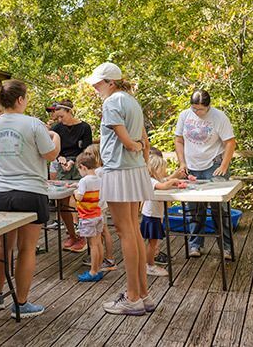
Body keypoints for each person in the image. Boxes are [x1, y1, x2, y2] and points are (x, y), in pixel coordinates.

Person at [0, 79, 61, 317]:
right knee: (27, 248)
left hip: (0, 191)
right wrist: (55, 138)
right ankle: (20, 303)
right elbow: (50, 154)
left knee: (1, 245)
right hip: (30, 191)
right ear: (20, 99)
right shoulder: (33, 124)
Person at [84, 62, 154, 316]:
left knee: (125, 232)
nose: (94, 87)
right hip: (134, 171)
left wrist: (134, 147)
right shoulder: (132, 101)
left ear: (110, 83)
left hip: (119, 170)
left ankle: (133, 297)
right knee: (133, 230)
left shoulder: (112, 102)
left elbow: (127, 139)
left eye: (98, 83)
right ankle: (143, 294)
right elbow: (145, 140)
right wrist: (141, 156)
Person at [175, 89, 236, 260]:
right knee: (194, 209)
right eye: (194, 108)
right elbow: (178, 140)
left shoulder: (219, 117)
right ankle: (195, 244)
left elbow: (230, 142)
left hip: (213, 165)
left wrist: (224, 165)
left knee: (220, 208)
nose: (197, 112)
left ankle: (226, 247)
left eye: (200, 109)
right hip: (192, 166)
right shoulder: (184, 116)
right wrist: (182, 162)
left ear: (208, 106)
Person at [50, 100, 93, 253]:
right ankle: (72, 235)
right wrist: (60, 158)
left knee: (81, 201)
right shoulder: (56, 128)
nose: (59, 120)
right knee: (62, 203)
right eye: (58, 117)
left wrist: (72, 161)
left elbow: (87, 150)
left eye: (62, 116)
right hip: (63, 168)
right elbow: (54, 149)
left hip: (81, 168)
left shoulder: (84, 127)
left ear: (69, 112)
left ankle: (86, 237)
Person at [142, 154, 182, 277]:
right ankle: (150, 266)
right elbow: (164, 186)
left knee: (154, 242)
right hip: (151, 216)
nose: (164, 171)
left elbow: (165, 182)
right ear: (154, 169)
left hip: (155, 215)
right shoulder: (151, 180)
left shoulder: (158, 179)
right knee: (152, 243)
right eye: (162, 169)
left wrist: (174, 181)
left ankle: (148, 263)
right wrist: (174, 180)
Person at [82, 144, 117, 270]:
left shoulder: (96, 172)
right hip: (103, 203)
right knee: (102, 231)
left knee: (102, 232)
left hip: (97, 205)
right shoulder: (103, 170)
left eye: (88, 155)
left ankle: (108, 258)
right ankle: (102, 257)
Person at [73, 152, 106, 282]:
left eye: (79, 170)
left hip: (87, 217)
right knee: (98, 243)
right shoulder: (99, 179)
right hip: (98, 214)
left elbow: (79, 196)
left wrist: (75, 191)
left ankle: (92, 272)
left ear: (83, 167)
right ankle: (98, 269)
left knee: (92, 245)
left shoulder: (83, 180)